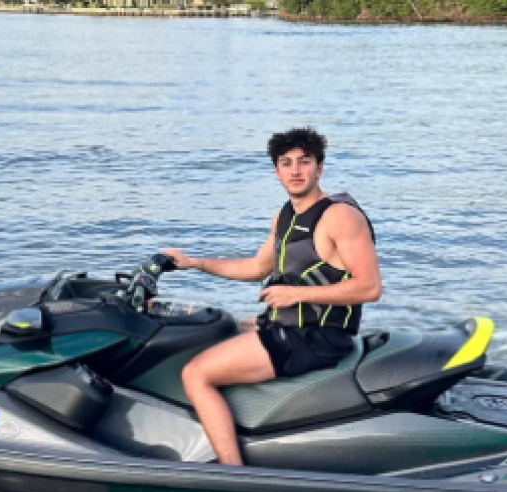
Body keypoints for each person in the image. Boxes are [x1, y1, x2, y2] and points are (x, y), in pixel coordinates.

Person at [163, 127, 381, 466]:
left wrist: (296, 293)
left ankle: (234, 474)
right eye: (286, 163)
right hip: (290, 326)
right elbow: (255, 267)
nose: (295, 171)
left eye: (304, 162)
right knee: (217, 329)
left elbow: (370, 287)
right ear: (276, 171)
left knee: (196, 373)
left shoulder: (340, 217)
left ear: (319, 169)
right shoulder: (285, 216)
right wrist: (195, 263)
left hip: (317, 337)